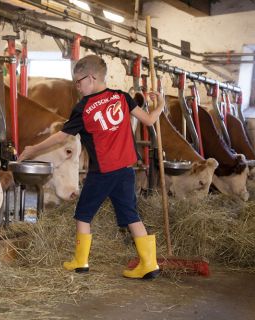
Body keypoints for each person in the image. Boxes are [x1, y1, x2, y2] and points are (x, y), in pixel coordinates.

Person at [18, 54, 165, 279]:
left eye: (79, 82)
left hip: (103, 172)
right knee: (131, 215)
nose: (77, 87)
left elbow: (60, 137)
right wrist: (161, 105)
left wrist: (32, 150)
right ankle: (150, 264)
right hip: (126, 170)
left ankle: (80, 262)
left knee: (83, 215)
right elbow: (148, 121)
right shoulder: (123, 97)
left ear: (92, 78)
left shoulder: (84, 108)